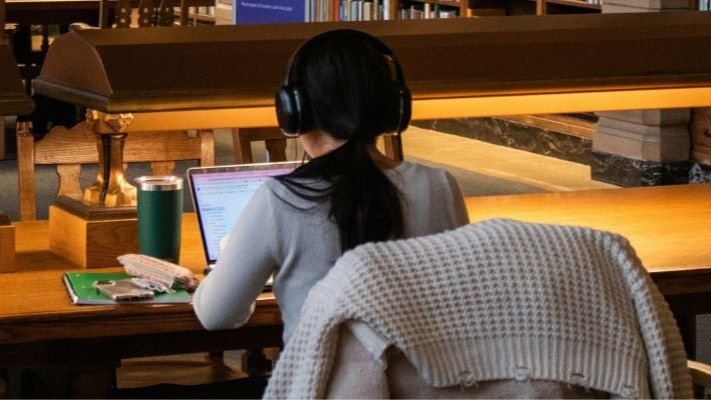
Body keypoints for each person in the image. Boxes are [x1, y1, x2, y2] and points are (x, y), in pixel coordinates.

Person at [192, 29, 469, 344]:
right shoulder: (439, 188)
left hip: (319, 388)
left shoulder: (281, 199)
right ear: (394, 108)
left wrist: (235, 260)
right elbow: (458, 304)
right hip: (421, 390)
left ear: (295, 111)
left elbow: (217, 315)